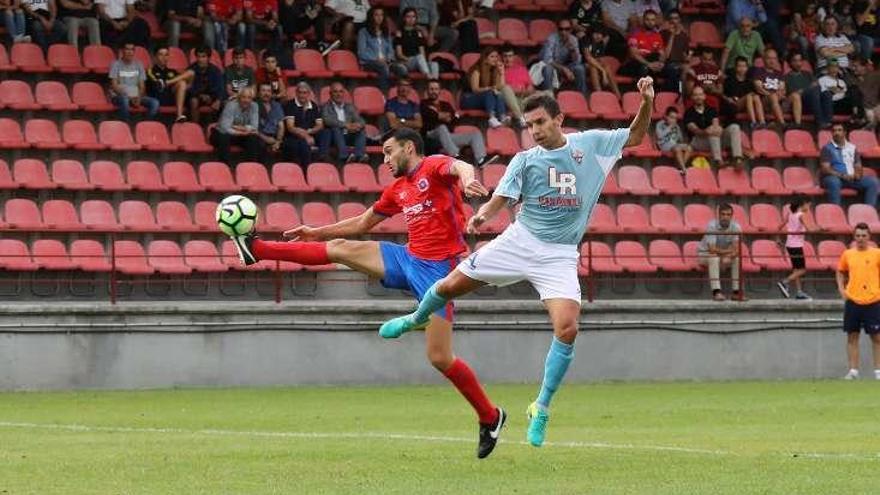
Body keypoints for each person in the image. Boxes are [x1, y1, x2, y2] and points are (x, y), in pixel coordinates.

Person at [378, 78, 655, 447]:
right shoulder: (525, 160)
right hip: (519, 242)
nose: (535, 131)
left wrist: (647, 101)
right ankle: (416, 319)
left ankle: (540, 407)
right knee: (446, 288)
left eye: (541, 122)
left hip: (558, 254)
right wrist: (482, 216)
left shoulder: (592, 145)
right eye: (529, 126)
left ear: (559, 119)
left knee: (568, 327)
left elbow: (635, 136)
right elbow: (502, 198)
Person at [226, 128, 507, 459]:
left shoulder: (432, 167)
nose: (385, 160)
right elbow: (362, 223)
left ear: (409, 147)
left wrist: (468, 179)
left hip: (439, 272)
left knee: (439, 357)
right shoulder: (398, 190)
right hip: (408, 258)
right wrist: (315, 232)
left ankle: (491, 416)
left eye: (389, 152)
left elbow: (458, 166)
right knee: (341, 248)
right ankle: (257, 248)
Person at [836, 222, 880, 380]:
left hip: (873, 300)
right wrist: (842, 290)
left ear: (869, 237)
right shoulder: (848, 254)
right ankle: (853, 371)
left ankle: (878, 372)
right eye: (858, 236)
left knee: (876, 337)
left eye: (864, 236)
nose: (861, 238)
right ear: (854, 237)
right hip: (853, 300)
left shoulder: (877, 254)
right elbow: (840, 272)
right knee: (852, 336)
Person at [421, 79, 493, 167]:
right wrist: (441, 116)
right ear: (427, 90)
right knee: (442, 127)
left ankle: (481, 160)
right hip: (431, 136)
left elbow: (455, 119)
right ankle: (456, 156)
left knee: (475, 134)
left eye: (436, 89)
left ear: (439, 90)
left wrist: (439, 115)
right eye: (431, 89)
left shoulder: (446, 104)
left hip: (447, 137)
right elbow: (430, 115)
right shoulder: (423, 104)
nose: (433, 91)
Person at [819, 123, 879, 207]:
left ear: (844, 133)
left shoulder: (852, 147)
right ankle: (836, 212)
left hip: (851, 178)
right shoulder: (827, 148)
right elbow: (825, 169)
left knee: (873, 182)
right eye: (834, 131)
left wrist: (857, 174)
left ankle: (869, 211)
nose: (836, 133)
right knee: (834, 182)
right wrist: (842, 175)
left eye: (839, 130)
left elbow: (858, 165)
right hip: (833, 177)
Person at [685, 86, 746, 169]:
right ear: (692, 97)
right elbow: (695, 130)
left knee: (734, 127)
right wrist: (706, 131)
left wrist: (718, 129)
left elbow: (716, 124)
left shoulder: (711, 109)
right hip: (699, 141)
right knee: (712, 133)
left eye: (700, 94)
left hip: (715, 140)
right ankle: (718, 161)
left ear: (704, 96)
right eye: (695, 95)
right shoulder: (689, 113)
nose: (698, 97)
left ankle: (738, 159)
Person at [620, 10, 679, 90]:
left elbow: (662, 55)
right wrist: (648, 64)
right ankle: (645, 98)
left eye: (652, 20)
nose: (650, 22)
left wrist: (660, 63)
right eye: (647, 20)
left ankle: (665, 96)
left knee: (672, 69)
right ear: (643, 20)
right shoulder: (635, 33)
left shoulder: (657, 35)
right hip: (635, 64)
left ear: (655, 21)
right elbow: (633, 54)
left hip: (652, 62)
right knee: (645, 69)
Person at [697, 203, 743, 301]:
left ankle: (736, 292)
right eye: (723, 214)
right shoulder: (712, 225)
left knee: (737, 259)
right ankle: (716, 292)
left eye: (728, 214)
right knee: (714, 258)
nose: (725, 217)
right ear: (718, 215)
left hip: (723, 255)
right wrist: (727, 253)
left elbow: (737, 249)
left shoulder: (736, 227)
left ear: (731, 216)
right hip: (704, 254)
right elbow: (712, 249)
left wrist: (730, 256)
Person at [777, 196, 819, 300]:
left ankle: (799, 292)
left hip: (790, 245)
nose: (809, 207)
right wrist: (821, 228)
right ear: (803, 204)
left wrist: (778, 239)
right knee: (802, 270)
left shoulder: (790, 214)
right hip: (796, 246)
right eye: (808, 204)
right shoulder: (801, 215)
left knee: (796, 270)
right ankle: (784, 282)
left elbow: (779, 227)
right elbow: (810, 230)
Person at [357, 6, 406, 92]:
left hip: (385, 62)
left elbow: (390, 50)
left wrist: (388, 59)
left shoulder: (386, 32)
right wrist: (377, 59)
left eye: (382, 15)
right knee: (383, 67)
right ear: (371, 17)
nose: (379, 17)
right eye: (376, 15)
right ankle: (384, 95)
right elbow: (361, 52)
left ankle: (396, 93)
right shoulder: (363, 32)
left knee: (402, 68)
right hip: (369, 63)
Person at [211, 86, 263, 163]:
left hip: (241, 135)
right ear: (239, 98)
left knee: (254, 139)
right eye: (244, 97)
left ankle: (251, 166)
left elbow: (254, 127)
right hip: (220, 133)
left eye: (249, 98)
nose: (246, 100)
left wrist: (234, 126)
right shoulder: (231, 105)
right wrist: (242, 132)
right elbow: (225, 128)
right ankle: (224, 166)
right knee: (224, 137)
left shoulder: (254, 106)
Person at [109, 42, 159, 121]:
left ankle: (145, 125)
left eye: (132, 49)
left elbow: (142, 86)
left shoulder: (139, 64)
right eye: (127, 49)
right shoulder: (115, 64)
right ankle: (126, 126)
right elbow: (114, 86)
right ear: (122, 51)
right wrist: (130, 97)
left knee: (154, 103)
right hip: (120, 96)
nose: (130, 52)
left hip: (136, 95)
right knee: (125, 100)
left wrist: (138, 97)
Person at [321, 81, 368, 163]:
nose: (338, 94)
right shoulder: (325, 107)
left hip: (348, 135)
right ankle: (344, 156)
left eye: (341, 91)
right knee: (335, 128)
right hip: (335, 138)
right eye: (335, 92)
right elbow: (327, 120)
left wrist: (357, 125)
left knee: (361, 130)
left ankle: (359, 156)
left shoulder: (349, 106)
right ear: (330, 93)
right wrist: (346, 125)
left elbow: (361, 120)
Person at [462, 48, 510, 129]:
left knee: (499, 93)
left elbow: (501, 87)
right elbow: (475, 89)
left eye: (496, 57)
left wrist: (502, 73)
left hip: (486, 99)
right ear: (485, 58)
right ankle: (492, 118)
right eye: (492, 57)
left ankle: (502, 117)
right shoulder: (477, 69)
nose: (495, 59)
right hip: (469, 98)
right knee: (490, 92)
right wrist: (490, 88)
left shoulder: (494, 70)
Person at [538, 19, 588, 95]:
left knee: (580, 68)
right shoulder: (552, 39)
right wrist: (564, 69)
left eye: (567, 29)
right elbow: (548, 60)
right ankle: (548, 96)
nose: (563, 32)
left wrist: (572, 50)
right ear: (558, 30)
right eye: (561, 29)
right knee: (548, 69)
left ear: (571, 30)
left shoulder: (573, 39)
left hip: (564, 66)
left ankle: (581, 96)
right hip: (552, 65)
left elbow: (577, 61)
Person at [785, 51, 832, 129]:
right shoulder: (787, 78)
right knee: (814, 91)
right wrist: (807, 89)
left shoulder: (807, 74)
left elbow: (817, 86)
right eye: (795, 61)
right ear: (789, 63)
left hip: (814, 102)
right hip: (800, 105)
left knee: (826, 93)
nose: (798, 63)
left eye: (800, 60)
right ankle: (820, 122)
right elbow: (794, 94)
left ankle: (827, 122)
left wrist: (805, 89)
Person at [282, 81, 326, 164]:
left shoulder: (313, 105)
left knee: (325, 133)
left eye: (304, 93)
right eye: (300, 92)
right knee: (302, 143)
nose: (302, 95)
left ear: (309, 94)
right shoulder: (290, 105)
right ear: (296, 93)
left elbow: (320, 125)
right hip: (294, 136)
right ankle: (306, 169)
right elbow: (290, 127)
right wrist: (306, 136)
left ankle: (322, 159)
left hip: (310, 132)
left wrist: (310, 131)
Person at [181, 46, 224, 123]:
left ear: (208, 58)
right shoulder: (190, 69)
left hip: (211, 96)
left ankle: (219, 128)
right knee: (194, 101)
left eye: (203, 57)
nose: (200, 59)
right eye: (198, 56)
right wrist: (200, 95)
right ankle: (195, 127)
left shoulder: (215, 70)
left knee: (225, 103)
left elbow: (220, 87)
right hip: (195, 97)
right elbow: (189, 89)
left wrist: (218, 100)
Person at [146, 45, 188, 122]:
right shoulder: (150, 71)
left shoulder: (172, 71)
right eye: (161, 54)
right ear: (155, 57)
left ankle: (179, 115)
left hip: (171, 98)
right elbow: (157, 86)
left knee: (182, 83)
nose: (164, 57)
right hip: (157, 98)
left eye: (166, 55)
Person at [818, 60, 866, 127]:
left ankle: (856, 114)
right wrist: (834, 90)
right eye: (832, 67)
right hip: (832, 104)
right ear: (827, 69)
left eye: (836, 67)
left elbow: (848, 94)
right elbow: (824, 94)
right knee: (853, 90)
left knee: (854, 89)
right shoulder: (822, 79)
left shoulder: (841, 81)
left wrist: (837, 88)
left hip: (843, 104)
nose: (834, 69)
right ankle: (858, 117)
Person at [394, 7, 438, 79]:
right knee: (419, 57)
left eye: (413, 17)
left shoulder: (418, 33)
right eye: (408, 16)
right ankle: (428, 76)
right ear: (404, 18)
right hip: (407, 61)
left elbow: (422, 52)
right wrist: (411, 60)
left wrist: (420, 61)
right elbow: (399, 54)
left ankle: (434, 83)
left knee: (434, 64)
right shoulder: (399, 33)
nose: (411, 19)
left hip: (419, 62)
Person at [722, 56, 764, 130]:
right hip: (735, 104)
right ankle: (753, 122)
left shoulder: (749, 80)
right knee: (749, 96)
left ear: (747, 68)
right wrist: (728, 99)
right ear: (735, 67)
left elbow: (753, 94)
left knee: (756, 97)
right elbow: (723, 94)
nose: (742, 69)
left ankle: (762, 122)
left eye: (744, 66)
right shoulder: (729, 80)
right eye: (739, 66)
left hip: (748, 104)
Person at [581, 27, 622, 98]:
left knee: (606, 67)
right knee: (593, 67)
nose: (598, 36)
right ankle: (599, 95)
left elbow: (600, 60)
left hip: (594, 65)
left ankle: (618, 96)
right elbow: (588, 58)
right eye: (596, 33)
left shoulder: (600, 43)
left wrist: (604, 71)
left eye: (601, 34)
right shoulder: (585, 39)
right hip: (582, 65)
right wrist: (603, 71)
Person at [751, 47, 787, 126]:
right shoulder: (758, 71)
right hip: (764, 102)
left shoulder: (779, 73)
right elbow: (759, 88)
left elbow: (782, 88)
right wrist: (771, 95)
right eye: (769, 58)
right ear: (764, 59)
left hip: (778, 100)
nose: (772, 61)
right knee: (773, 96)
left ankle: (798, 125)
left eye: (774, 58)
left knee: (795, 96)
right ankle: (783, 124)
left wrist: (779, 94)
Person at [685, 46, 723, 110]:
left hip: (712, 98)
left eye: (709, 60)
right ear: (700, 58)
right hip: (697, 97)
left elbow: (720, 91)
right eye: (705, 59)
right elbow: (688, 92)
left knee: (714, 101)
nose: (707, 62)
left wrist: (713, 89)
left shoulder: (718, 71)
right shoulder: (692, 70)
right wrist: (702, 88)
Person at [655, 106, 691, 173]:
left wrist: (677, 131)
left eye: (675, 118)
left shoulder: (676, 126)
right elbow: (659, 136)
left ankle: (680, 167)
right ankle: (683, 168)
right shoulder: (660, 124)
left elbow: (680, 139)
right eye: (671, 117)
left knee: (689, 148)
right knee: (677, 148)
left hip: (675, 144)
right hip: (664, 144)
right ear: (666, 116)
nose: (673, 120)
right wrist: (669, 128)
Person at [256, 82, 286, 156]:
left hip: (274, 136)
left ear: (272, 93)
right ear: (258, 93)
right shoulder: (254, 105)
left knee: (289, 145)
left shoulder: (277, 105)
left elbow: (281, 126)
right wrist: (266, 138)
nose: (266, 93)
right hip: (259, 136)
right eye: (263, 90)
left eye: (268, 91)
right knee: (260, 145)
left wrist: (278, 142)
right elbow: (252, 128)